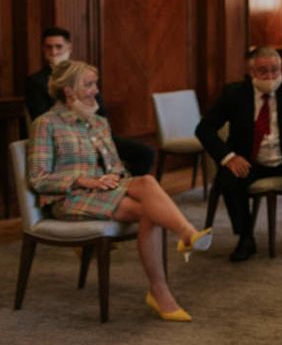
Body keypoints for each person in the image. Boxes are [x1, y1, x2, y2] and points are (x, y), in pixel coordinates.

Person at [27, 60, 212, 322]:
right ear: (68, 90)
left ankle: (163, 283)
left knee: (148, 191)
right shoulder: (46, 124)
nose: (95, 90)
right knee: (152, 203)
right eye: (88, 84)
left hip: (106, 191)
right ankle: (178, 254)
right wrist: (83, 181)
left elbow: (115, 164)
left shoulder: (100, 122)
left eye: (95, 84)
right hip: (71, 198)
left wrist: (114, 175)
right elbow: (38, 178)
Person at [195, 46, 282, 261]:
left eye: (275, 70)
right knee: (228, 180)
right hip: (249, 158)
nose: (270, 76)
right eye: (263, 71)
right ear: (252, 72)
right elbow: (204, 129)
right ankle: (245, 238)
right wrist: (228, 157)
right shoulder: (234, 93)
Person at [25, 26, 155, 176]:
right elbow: (40, 116)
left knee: (145, 154)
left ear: (69, 47)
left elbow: (100, 111)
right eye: (49, 47)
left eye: (58, 47)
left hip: (95, 132)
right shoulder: (35, 81)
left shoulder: (85, 75)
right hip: (66, 138)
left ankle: (125, 187)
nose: (54, 52)